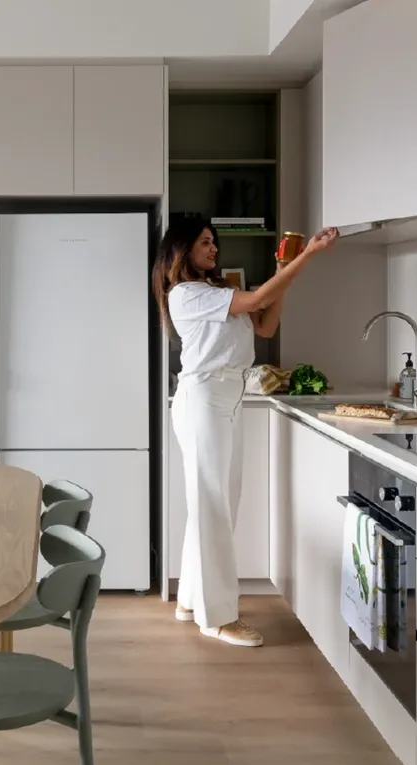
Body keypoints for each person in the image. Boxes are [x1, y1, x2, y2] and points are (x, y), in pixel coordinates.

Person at [152, 217, 339, 647]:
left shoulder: (216, 292)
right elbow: (257, 299)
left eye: (214, 241)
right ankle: (216, 617)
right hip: (204, 401)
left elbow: (265, 323)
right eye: (204, 242)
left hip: (225, 399)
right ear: (181, 251)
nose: (214, 248)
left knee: (213, 502)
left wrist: (285, 272)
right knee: (214, 505)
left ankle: (192, 600)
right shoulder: (186, 293)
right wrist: (306, 257)